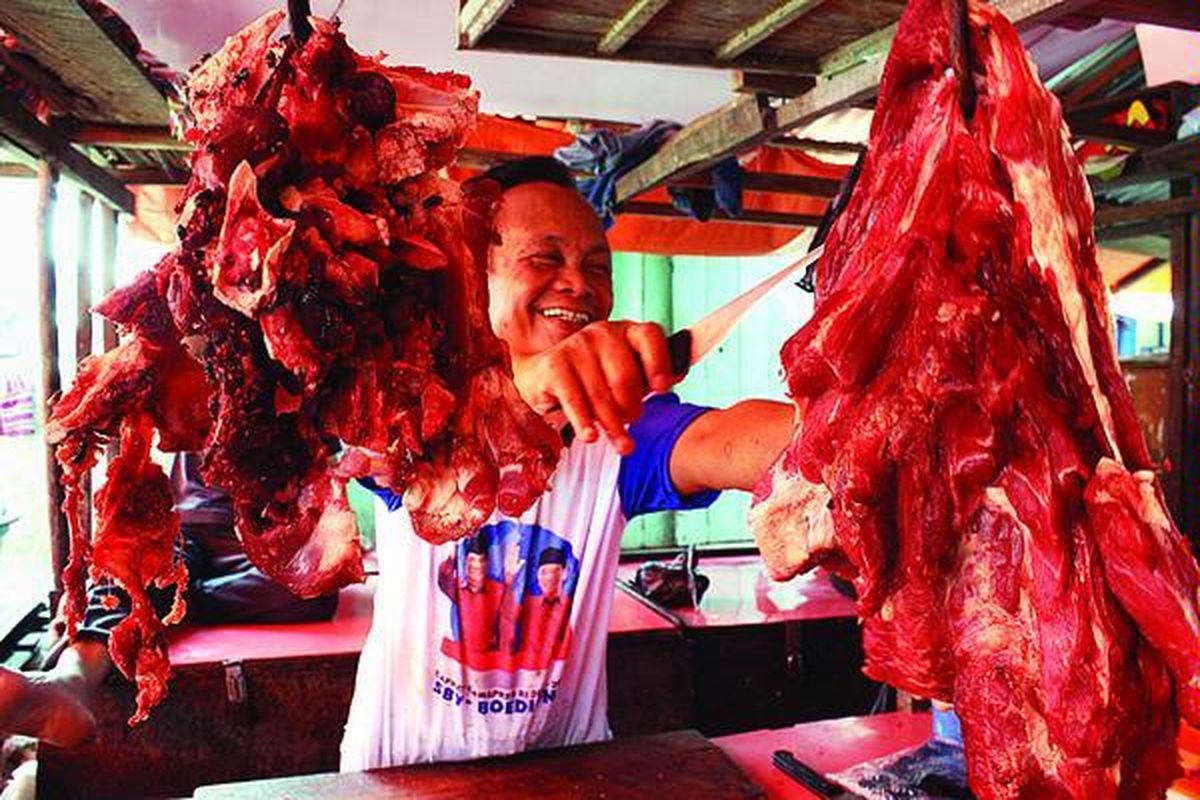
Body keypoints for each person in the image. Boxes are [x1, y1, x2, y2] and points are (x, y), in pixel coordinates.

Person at [340, 157, 796, 768]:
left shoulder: (621, 432)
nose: (579, 284)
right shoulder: (417, 406)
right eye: (544, 259)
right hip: (397, 776)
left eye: (597, 268)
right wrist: (528, 383)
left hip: (569, 774)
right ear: (474, 280)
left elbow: (737, 441)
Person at [0, 453, 338, 747]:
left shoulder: (308, 396)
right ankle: (69, 682)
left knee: (316, 590)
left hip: (274, 535)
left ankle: (174, 600)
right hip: (186, 527)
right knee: (134, 567)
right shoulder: (179, 394)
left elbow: (331, 467)